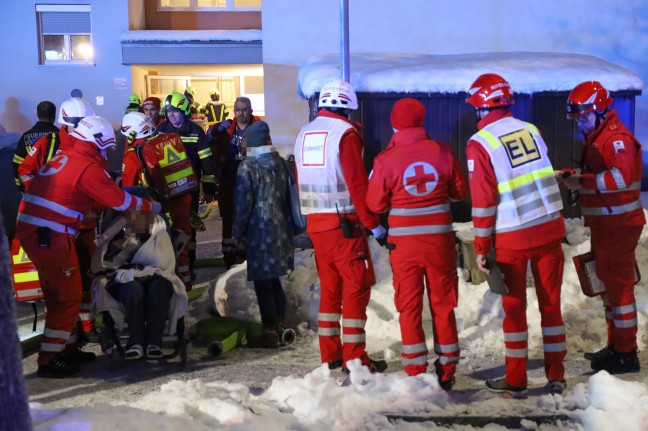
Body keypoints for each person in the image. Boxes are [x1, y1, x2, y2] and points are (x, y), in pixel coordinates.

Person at [15, 115, 160, 378]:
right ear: (97, 142)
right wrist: (151, 207)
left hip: (42, 232)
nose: (106, 151)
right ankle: (49, 360)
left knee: (67, 292)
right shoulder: (86, 166)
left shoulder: (66, 156)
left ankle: (67, 349)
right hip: (49, 236)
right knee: (66, 296)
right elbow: (120, 201)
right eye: (105, 147)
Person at [465, 73, 567, 396]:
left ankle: (516, 378)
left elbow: (483, 202)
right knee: (551, 306)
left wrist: (482, 246)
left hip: (512, 239)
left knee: (514, 310)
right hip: (549, 230)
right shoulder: (532, 130)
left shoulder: (479, 144)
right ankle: (557, 375)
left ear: (481, 108)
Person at [366, 98, 467, 390]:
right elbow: (460, 191)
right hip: (439, 245)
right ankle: (447, 368)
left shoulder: (385, 159)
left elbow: (374, 202)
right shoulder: (442, 152)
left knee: (409, 306)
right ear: (422, 121)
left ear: (394, 124)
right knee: (443, 305)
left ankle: (415, 369)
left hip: (405, 247)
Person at [294, 79, 387, 373]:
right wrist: (374, 225)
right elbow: (358, 185)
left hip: (316, 225)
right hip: (343, 224)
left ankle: (331, 355)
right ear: (349, 108)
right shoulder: (344, 135)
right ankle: (356, 359)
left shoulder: (304, 133)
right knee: (357, 287)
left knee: (331, 291)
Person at [557, 81, 645, 374]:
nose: (579, 123)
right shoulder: (599, 138)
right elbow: (604, 175)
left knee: (619, 292)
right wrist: (578, 176)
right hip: (607, 224)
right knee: (609, 288)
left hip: (618, 226)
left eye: (583, 117)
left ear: (601, 110)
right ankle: (616, 346)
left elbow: (620, 179)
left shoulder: (616, 139)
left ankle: (626, 353)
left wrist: (583, 182)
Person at [17, 97, 98, 336]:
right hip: (56, 228)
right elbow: (24, 171)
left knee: (87, 278)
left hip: (85, 224)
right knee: (60, 284)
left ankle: (87, 328)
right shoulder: (48, 143)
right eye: (77, 123)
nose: (82, 128)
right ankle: (66, 336)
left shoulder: (91, 142)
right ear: (64, 122)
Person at [93, 188, 188, 360]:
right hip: (126, 279)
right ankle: (135, 341)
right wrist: (120, 248)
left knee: (158, 287)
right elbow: (103, 264)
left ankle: (154, 342)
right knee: (132, 288)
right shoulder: (116, 233)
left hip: (159, 275)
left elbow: (165, 262)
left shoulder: (159, 228)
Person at [232, 121, 294, 348]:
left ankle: (269, 331)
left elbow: (242, 203)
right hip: (282, 227)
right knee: (273, 277)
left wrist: (237, 232)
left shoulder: (248, 167)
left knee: (262, 281)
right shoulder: (280, 162)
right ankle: (280, 323)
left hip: (259, 229)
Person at [120, 111, 196, 291]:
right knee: (182, 241)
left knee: (155, 248)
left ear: (131, 133)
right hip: (181, 197)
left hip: (156, 207)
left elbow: (128, 187)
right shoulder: (167, 141)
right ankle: (185, 280)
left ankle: (161, 285)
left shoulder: (132, 154)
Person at [157, 91, 217, 276]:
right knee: (165, 228)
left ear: (184, 110)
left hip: (188, 190)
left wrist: (209, 194)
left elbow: (207, 164)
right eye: (168, 112)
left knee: (187, 229)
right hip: (165, 191)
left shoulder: (195, 131)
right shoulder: (161, 130)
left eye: (175, 111)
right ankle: (169, 267)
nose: (171, 115)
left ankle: (188, 266)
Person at [208, 96, 263, 268]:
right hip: (229, 181)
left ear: (251, 111)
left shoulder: (258, 130)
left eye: (245, 109)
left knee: (251, 218)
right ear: (234, 112)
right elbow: (209, 140)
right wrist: (216, 129)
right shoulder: (225, 131)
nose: (241, 113)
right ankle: (229, 256)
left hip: (251, 182)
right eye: (238, 109)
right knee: (229, 219)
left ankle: (247, 254)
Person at [12, 101, 58, 190]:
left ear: (37, 114)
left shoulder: (25, 137)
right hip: (56, 189)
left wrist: (23, 189)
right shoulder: (61, 137)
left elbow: (17, 165)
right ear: (54, 115)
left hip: (33, 190)